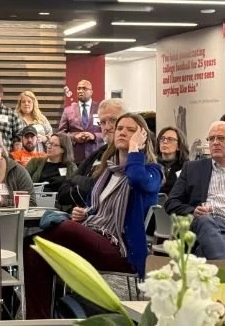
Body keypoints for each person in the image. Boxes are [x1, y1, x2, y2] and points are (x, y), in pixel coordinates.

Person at [24, 113, 161, 318]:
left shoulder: (153, 171)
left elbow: (136, 179)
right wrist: (84, 214)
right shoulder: (108, 171)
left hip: (121, 249)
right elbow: (96, 209)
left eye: (131, 130)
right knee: (34, 254)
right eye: (120, 128)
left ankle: (29, 239)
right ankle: (38, 321)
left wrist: (134, 149)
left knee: (65, 229)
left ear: (143, 137)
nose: (123, 132)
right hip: (94, 235)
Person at [165, 121, 225, 260]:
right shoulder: (192, 169)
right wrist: (193, 211)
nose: (215, 142)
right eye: (211, 138)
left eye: (221, 138)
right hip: (200, 229)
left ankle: (210, 276)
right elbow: (171, 203)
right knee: (205, 220)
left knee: (205, 250)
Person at [57, 98, 127, 208]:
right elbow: (62, 194)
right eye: (103, 122)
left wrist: (79, 181)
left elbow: (104, 189)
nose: (107, 127)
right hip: (84, 215)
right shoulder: (97, 154)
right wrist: (87, 184)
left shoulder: (127, 155)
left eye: (113, 120)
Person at [0, 124, 36, 207]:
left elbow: (31, 203)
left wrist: (3, 202)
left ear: (1, 148)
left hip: (12, 219)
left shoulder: (18, 171)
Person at [58, 80, 103, 163]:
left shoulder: (100, 109)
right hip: (74, 157)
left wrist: (94, 136)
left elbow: (107, 132)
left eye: (84, 88)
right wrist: (74, 137)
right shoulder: (68, 110)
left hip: (96, 157)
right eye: (79, 88)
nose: (81, 91)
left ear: (91, 92)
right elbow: (61, 135)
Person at [156, 126, 189, 195]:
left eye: (170, 139)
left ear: (179, 146)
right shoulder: (151, 163)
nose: (165, 141)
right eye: (162, 138)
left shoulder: (186, 166)